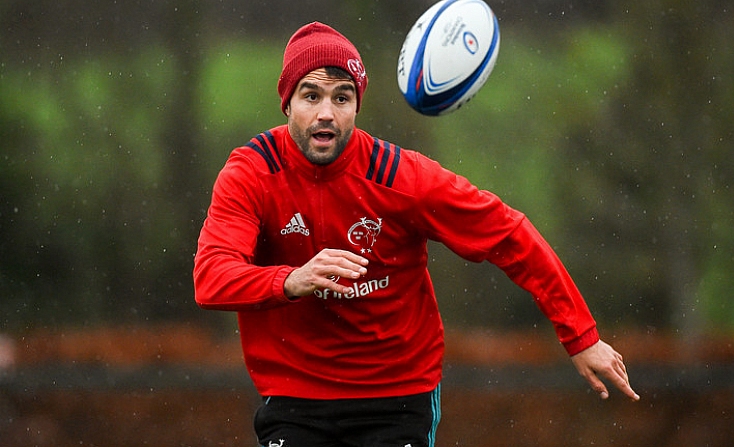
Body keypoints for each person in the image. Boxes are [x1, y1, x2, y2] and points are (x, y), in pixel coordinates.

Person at [194, 21, 639, 447]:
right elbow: (211, 278)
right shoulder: (252, 172)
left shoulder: (400, 177)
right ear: (287, 103)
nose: (326, 113)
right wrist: (290, 280)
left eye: (342, 97)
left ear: (357, 106)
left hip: (395, 395)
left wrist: (581, 336)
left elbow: (508, 233)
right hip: (295, 397)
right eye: (311, 95)